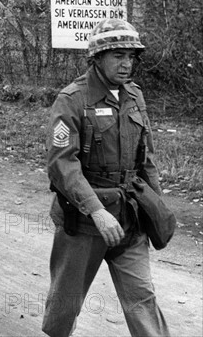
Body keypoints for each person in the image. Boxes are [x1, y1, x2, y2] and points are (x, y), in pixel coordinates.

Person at [42, 19, 171, 337]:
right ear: (96, 58)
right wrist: (96, 211)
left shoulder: (134, 96)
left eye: (131, 56)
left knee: (142, 300)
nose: (127, 64)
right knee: (65, 305)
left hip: (130, 216)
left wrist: (156, 205)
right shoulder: (72, 100)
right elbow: (62, 166)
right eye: (117, 56)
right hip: (84, 223)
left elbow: (146, 158)